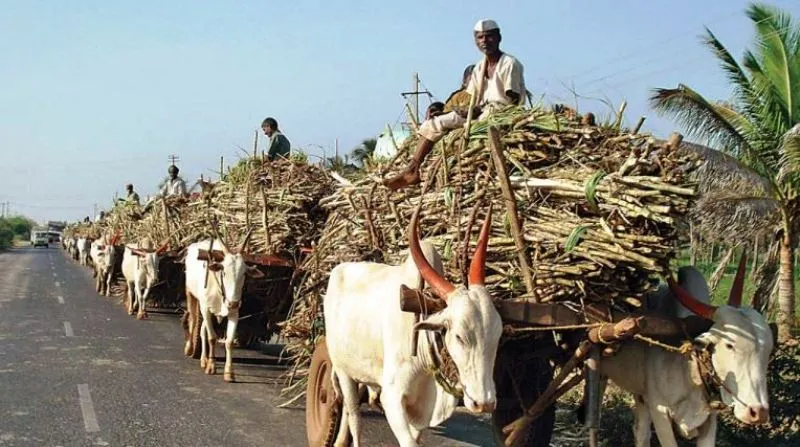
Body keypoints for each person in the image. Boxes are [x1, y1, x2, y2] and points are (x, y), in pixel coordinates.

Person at [384, 19, 526, 190]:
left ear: (498, 38)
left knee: (482, 119)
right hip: (480, 110)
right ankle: (413, 169)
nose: (484, 41)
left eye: (489, 37)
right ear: (476, 41)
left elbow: (513, 100)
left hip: (501, 110)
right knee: (434, 123)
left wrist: (483, 112)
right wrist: (464, 111)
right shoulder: (479, 67)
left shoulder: (509, 63)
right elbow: (473, 98)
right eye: (480, 37)